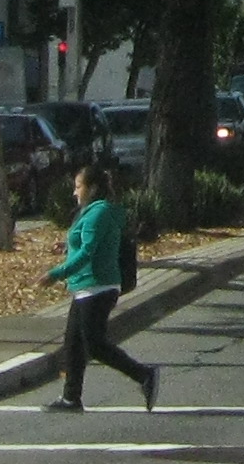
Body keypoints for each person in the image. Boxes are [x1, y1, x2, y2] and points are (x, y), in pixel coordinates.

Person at [38, 164, 159, 414]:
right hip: (87, 287)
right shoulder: (93, 212)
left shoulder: (99, 213)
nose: (74, 192)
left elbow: (88, 251)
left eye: (78, 186)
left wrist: (56, 274)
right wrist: (66, 248)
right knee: (73, 344)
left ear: (92, 188)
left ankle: (144, 374)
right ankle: (71, 398)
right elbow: (89, 243)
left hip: (97, 286)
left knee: (94, 344)